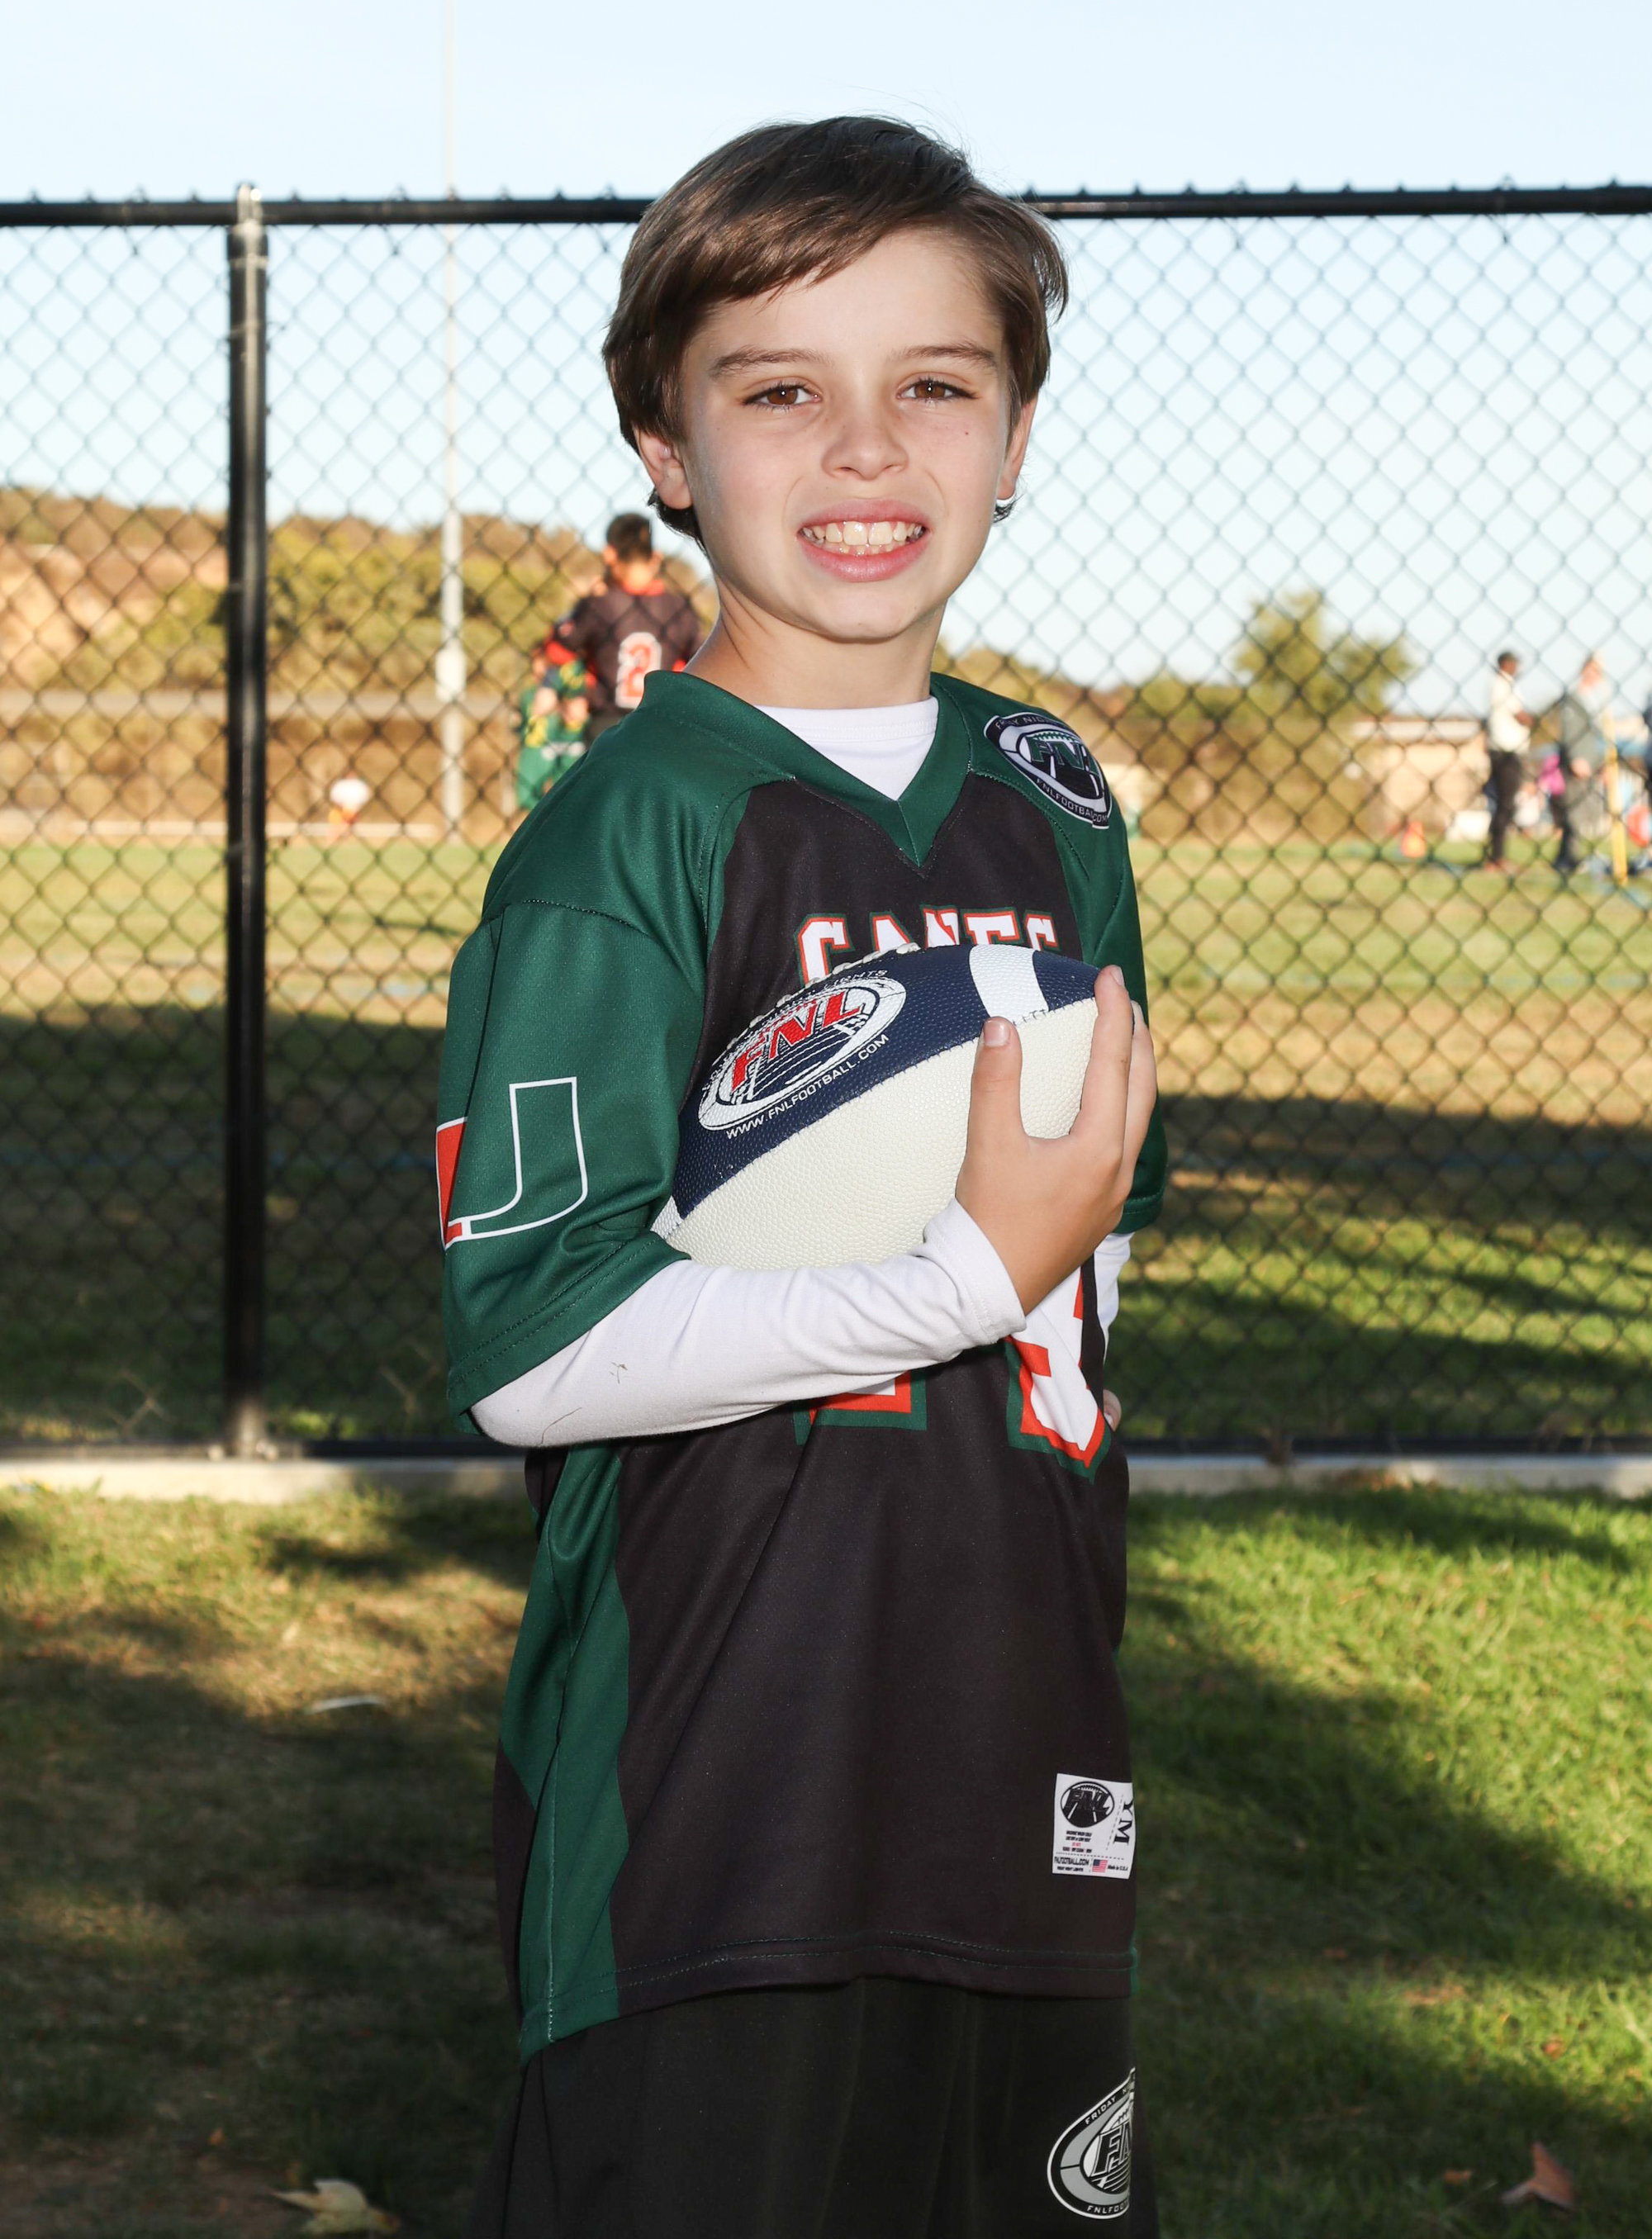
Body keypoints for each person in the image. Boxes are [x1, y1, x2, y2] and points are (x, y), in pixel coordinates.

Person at [440, 117, 1166, 2238]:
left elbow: (1082, 1255)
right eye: (779, 390)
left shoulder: (1050, 791)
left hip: (1017, 1724)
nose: (865, 448)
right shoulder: (623, 835)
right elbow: (528, 1350)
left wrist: (1005, 1282)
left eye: (933, 383)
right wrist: (947, 1279)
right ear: (666, 448)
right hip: (719, 1782)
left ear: (1013, 436)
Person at [553, 511, 702, 733]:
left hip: (607, 726)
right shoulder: (679, 608)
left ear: (609, 555)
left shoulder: (600, 604)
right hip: (661, 725)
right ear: (655, 557)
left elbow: (556, 652)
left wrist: (584, 601)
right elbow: (700, 663)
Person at [514, 637, 592, 812]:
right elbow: (538, 708)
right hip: (537, 747)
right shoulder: (531, 692)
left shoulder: (575, 673)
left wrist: (560, 700)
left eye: (540, 660)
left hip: (572, 745)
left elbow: (577, 712)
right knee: (529, 800)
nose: (537, 667)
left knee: (568, 800)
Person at [1555, 653, 1609, 875]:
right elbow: (1569, 730)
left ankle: (1565, 857)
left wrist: (1603, 764)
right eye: (1593, 670)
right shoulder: (1574, 698)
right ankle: (1570, 858)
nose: (1596, 676)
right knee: (1575, 811)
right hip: (1578, 763)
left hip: (1593, 763)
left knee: (1585, 810)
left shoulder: (1596, 699)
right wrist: (1576, 758)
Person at [1483, 648, 1530, 870]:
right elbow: (1519, 715)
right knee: (1506, 804)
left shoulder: (1499, 684)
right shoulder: (1503, 684)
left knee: (1503, 804)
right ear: (1505, 664)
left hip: (1504, 750)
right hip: (1507, 751)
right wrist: (1532, 720)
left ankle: (1496, 854)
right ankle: (1497, 856)